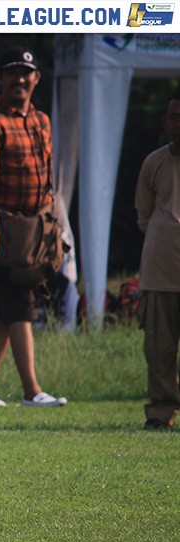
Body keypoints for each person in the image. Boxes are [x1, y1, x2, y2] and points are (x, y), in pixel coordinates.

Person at [0, 46, 67, 408]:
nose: (20, 79)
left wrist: (53, 224)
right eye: (12, 72)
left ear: (37, 79)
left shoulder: (41, 120)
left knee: (6, 310)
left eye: (26, 72)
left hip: (37, 229)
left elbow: (47, 177)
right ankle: (32, 390)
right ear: (0, 79)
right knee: (20, 304)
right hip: (7, 230)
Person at [134, 92, 180, 430]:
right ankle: (161, 412)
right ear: (165, 121)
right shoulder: (154, 162)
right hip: (160, 270)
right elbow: (144, 215)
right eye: (174, 116)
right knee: (159, 349)